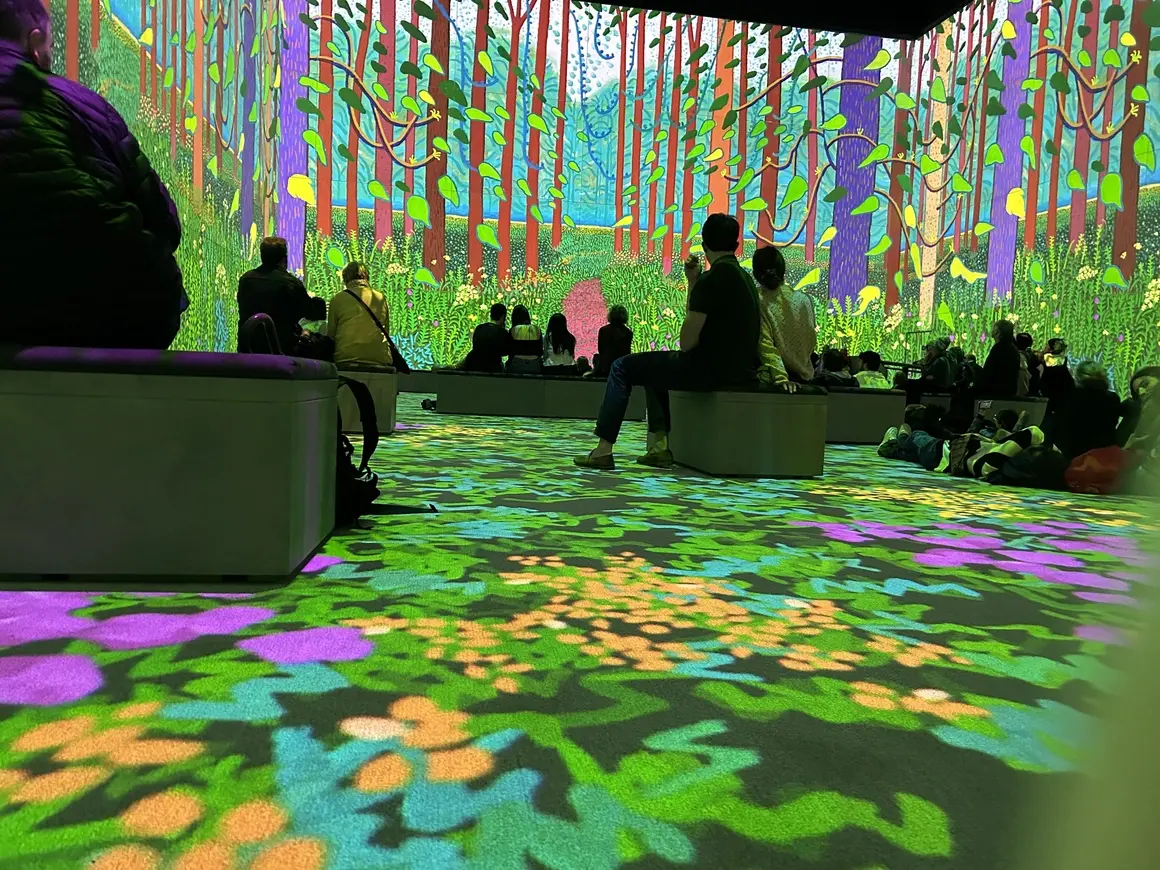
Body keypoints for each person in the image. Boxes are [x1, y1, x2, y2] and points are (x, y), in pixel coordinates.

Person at [0, 0, 186, 349]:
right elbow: (165, 221)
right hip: (101, 319)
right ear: (34, 41)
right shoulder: (81, 103)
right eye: (50, 45)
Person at [575, 213, 760, 469]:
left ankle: (603, 450)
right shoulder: (747, 281)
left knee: (621, 367)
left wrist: (696, 284)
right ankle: (658, 447)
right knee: (656, 368)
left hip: (706, 371)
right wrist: (693, 282)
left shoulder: (711, 280)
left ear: (704, 244)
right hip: (740, 371)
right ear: (737, 245)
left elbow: (686, 343)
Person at [237, 237, 327, 355]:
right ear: (284, 259)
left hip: (248, 349)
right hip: (281, 351)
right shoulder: (291, 283)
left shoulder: (246, 279)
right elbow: (312, 312)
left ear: (262, 256)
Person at [750, 246, 816, 382]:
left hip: (776, 381)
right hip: (807, 379)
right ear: (783, 270)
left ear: (755, 274)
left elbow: (765, 346)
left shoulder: (757, 300)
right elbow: (811, 340)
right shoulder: (805, 300)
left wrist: (781, 378)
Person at [1047, 361, 1120, 461]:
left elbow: (1060, 428)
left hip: (1073, 456)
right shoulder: (1113, 398)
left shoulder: (1069, 397)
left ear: (1077, 377)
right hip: (1106, 456)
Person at [326, 261, 393, 370]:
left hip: (345, 358)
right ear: (367, 277)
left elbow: (331, 336)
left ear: (345, 279)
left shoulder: (337, 299)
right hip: (379, 358)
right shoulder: (380, 298)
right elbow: (386, 331)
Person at [976, 319, 1023, 397]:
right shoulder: (1013, 348)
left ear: (998, 332)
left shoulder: (999, 348)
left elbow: (988, 374)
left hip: (996, 393)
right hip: (1008, 392)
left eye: (994, 328)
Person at [461, 303, 510, 373]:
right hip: (493, 368)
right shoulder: (502, 332)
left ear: (490, 315)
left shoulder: (479, 328)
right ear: (503, 317)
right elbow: (506, 351)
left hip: (474, 366)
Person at [594, 305, 633, 376]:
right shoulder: (628, 332)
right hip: (620, 365)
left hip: (606, 366)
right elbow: (627, 351)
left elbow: (601, 349)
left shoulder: (603, 330)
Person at [506, 305, 543, 374]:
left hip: (517, 365)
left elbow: (509, 351)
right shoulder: (537, 329)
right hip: (535, 366)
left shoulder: (513, 330)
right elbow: (540, 351)